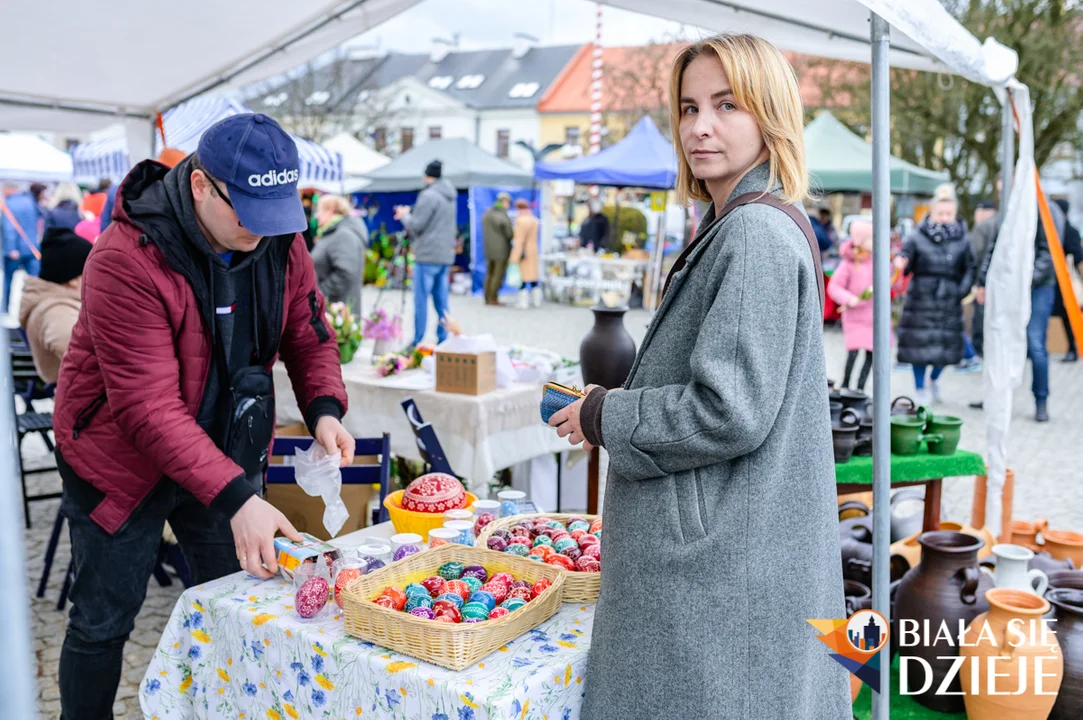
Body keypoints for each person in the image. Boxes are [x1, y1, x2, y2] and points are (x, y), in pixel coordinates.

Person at [548, 33, 850, 720]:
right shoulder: (744, 224)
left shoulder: (752, 234)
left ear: (768, 114)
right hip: (725, 559)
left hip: (714, 572)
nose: (699, 127)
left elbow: (728, 409)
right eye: (687, 107)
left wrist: (605, 414)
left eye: (726, 105)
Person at [52, 113, 354, 719]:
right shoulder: (123, 258)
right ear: (199, 185)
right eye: (246, 212)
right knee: (103, 620)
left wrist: (323, 409)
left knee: (240, 600)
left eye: (274, 214)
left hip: (223, 451)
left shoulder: (277, 237)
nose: (261, 231)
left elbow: (309, 333)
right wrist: (241, 500)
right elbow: (146, 407)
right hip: (120, 460)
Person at [974, 198, 1061, 421]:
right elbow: (995, 249)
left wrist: (1025, 280)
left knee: (1035, 343)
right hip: (1010, 287)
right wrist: (983, 282)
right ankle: (995, 395)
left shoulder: (1045, 211)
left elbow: (1048, 252)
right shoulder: (1008, 210)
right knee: (998, 339)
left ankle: (1041, 400)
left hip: (1038, 287)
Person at [894, 184, 974, 405]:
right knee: (918, 348)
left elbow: (970, 268)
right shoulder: (917, 236)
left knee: (947, 349)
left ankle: (934, 379)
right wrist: (902, 261)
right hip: (921, 298)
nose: (944, 217)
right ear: (932, 212)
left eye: (949, 213)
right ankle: (920, 388)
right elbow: (905, 254)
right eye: (940, 213)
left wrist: (961, 290)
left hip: (949, 298)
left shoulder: (963, 239)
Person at [18, 227, 93, 382]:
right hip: (79, 397)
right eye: (91, 271)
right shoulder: (57, 311)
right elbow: (87, 360)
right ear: (73, 280)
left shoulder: (60, 303)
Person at [394, 159, 456, 346]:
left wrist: (404, 215)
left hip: (427, 255)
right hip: (444, 255)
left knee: (421, 301)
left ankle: (417, 340)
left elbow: (416, 225)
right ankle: (443, 339)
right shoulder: (449, 195)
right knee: (442, 301)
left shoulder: (428, 195)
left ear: (427, 176)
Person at [827, 220, 875, 391]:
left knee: (872, 353)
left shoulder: (876, 262)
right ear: (861, 241)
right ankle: (846, 385)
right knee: (853, 352)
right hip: (855, 317)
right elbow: (834, 287)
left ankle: (860, 388)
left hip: (872, 317)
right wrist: (849, 299)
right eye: (871, 238)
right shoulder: (848, 264)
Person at [311, 194, 367, 312]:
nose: (316, 216)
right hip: (331, 310)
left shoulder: (343, 234)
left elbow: (345, 272)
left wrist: (320, 293)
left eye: (319, 211)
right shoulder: (333, 233)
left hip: (338, 313)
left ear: (330, 210)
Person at [2, 182, 44, 315]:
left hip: (16, 250)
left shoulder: (7, 204)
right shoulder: (30, 201)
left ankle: (5, 309)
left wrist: (10, 248)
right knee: (34, 283)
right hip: (32, 248)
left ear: (8, 189)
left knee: (8, 280)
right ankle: (33, 310)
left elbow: (9, 228)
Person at [1051, 198, 1082, 362]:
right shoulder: (1056, 230)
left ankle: (1073, 348)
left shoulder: (1069, 231)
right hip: (1057, 281)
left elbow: (1078, 255)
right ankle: (1070, 348)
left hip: (1067, 281)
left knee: (1069, 315)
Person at [481, 192, 514, 305]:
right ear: (504, 202)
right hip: (501, 250)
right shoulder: (501, 214)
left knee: (489, 273)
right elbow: (509, 232)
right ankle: (493, 298)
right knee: (497, 274)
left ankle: (487, 297)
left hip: (488, 249)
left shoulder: (487, 213)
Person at [509, 197, 541, 308]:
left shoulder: (521, 221)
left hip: (523, 252)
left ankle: (523, 302)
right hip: (533, 250)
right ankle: (536, 300)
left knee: (522, 277)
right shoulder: (534, 219)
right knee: (533, 277)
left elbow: (519, 240)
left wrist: (514, 257)